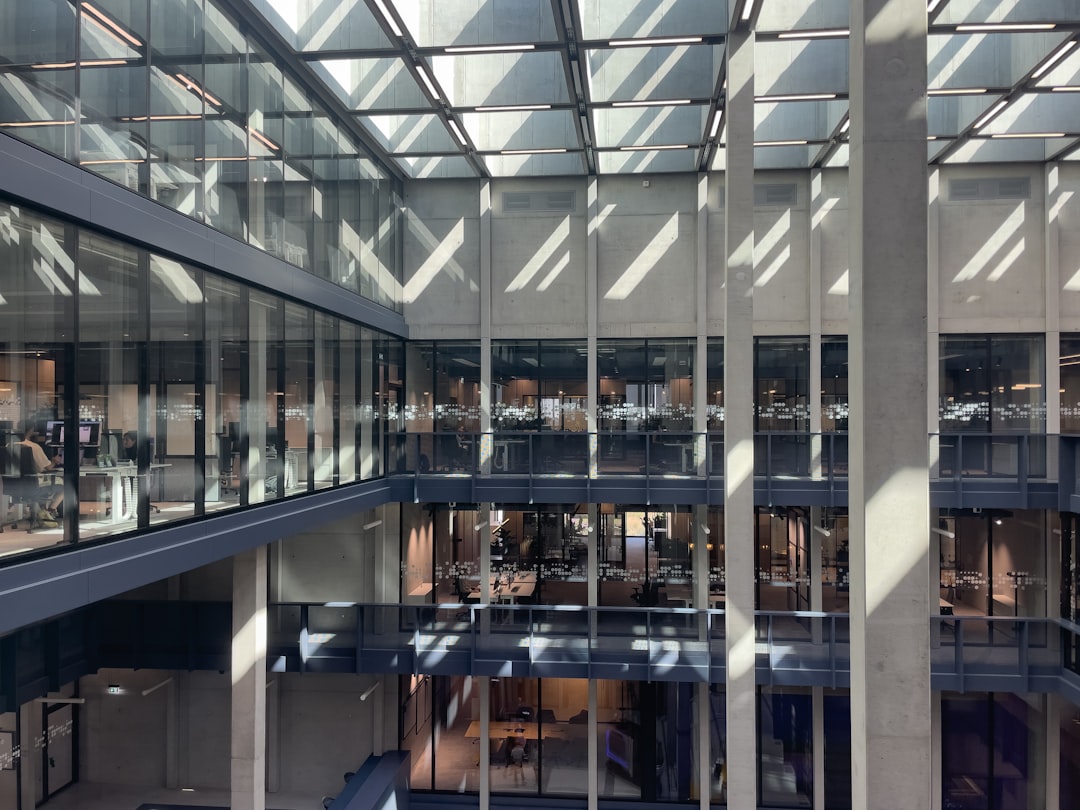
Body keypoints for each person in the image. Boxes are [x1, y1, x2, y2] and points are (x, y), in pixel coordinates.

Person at [16, 423, 63, 521]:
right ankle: (51, 510)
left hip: (14, 483)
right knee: (66, 485)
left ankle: (43, 511)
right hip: (34, 482)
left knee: (44, 483)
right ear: (31, 431)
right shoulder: (34, 447)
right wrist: (54, 461)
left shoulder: (9, 444)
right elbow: (48, 467)